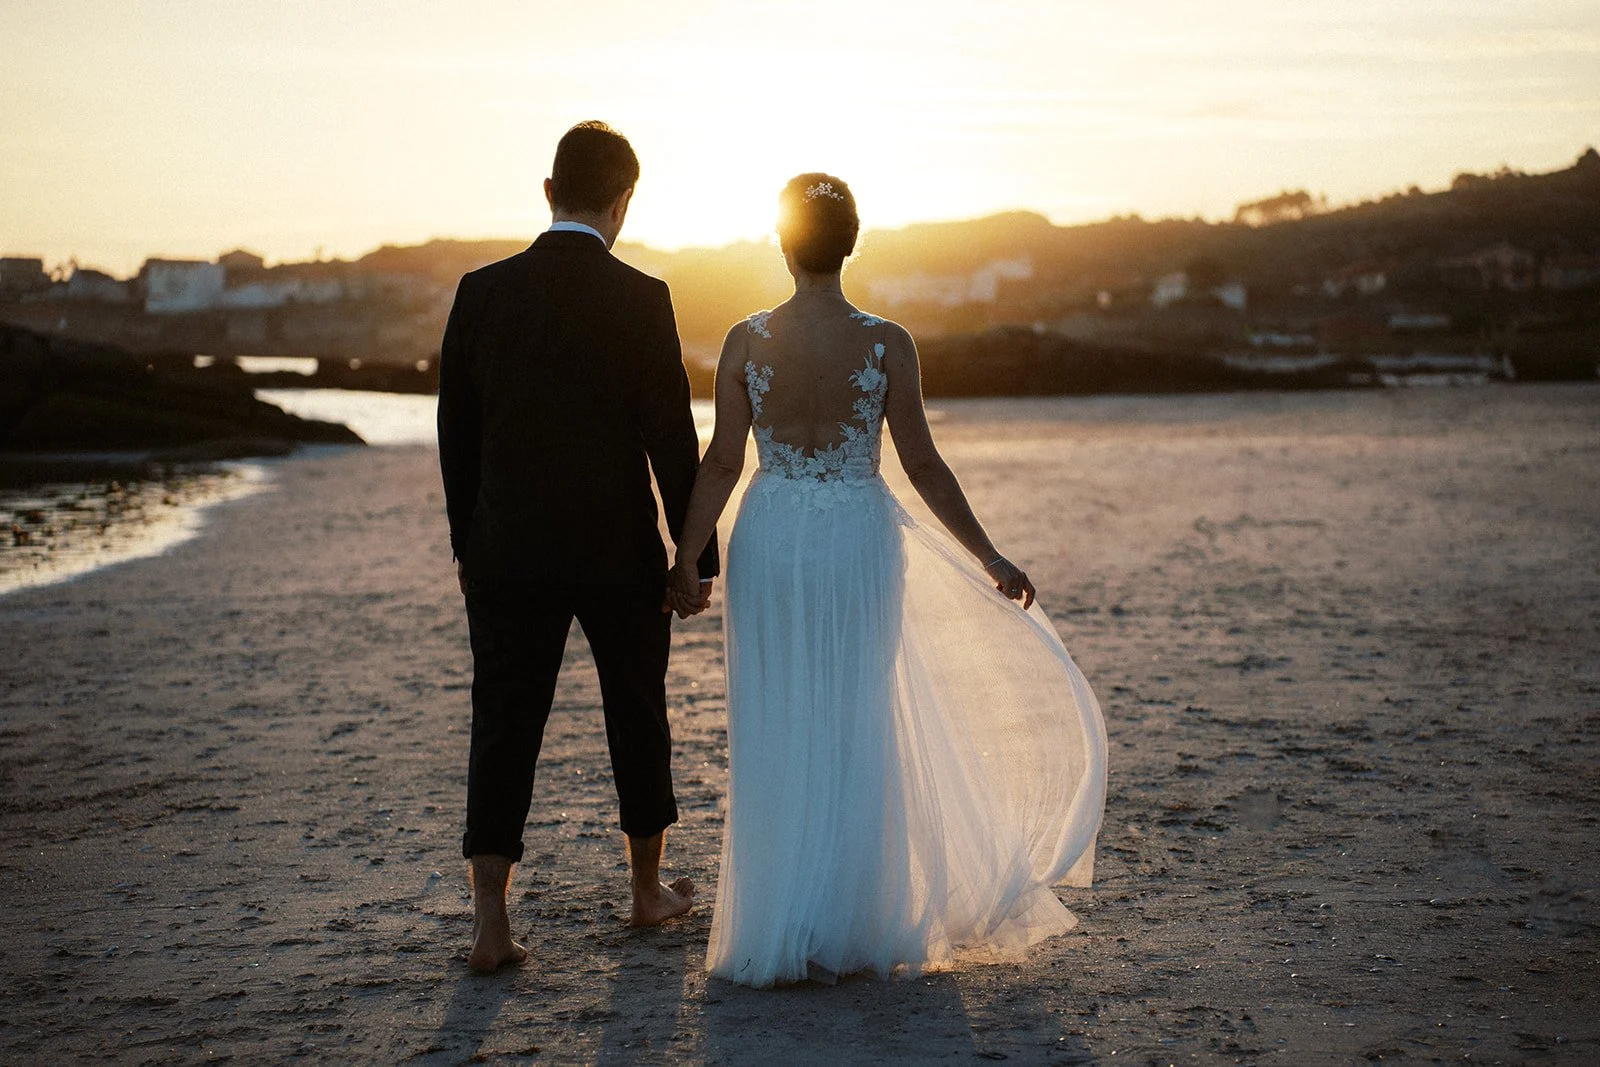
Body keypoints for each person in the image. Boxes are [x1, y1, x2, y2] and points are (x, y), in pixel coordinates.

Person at [666, 174, 1107, 987]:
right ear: (852, 241)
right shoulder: (886, 342)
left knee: (776, 713)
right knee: (854, 713)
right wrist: (990, 556)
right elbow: (924, 464)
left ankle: (782, 920)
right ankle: (851, 917)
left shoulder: (744, 338)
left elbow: (724, 460)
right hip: (857, 537)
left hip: (772, 535)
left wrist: (689, 558)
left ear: (782, 241)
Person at [437, 121, 718, 975]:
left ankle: (491, 926)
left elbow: (457, 435)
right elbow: (671, 437)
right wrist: (691, 558)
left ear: (548, 191)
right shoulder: (642, 298)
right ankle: (645, 890)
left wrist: (469, 543)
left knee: (503, 723)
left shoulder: (480, 292)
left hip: (507, 552)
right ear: (622, 202)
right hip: (616, 551)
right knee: (638, 713)